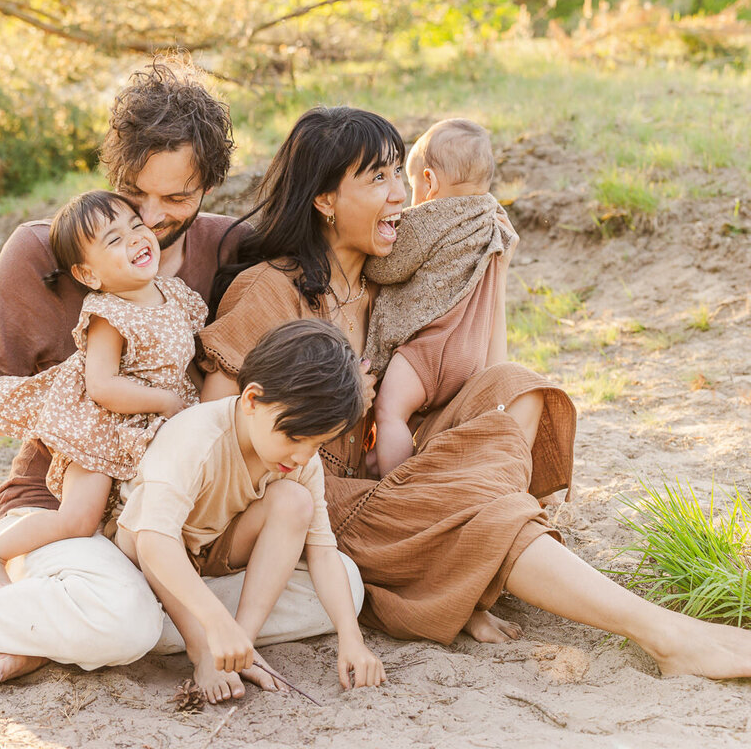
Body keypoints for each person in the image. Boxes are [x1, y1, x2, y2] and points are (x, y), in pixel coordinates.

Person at [0, 57, 357, 693]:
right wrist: (72, 401)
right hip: (64, 505)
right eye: (136, 196)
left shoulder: (225, 248)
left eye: (178, 198)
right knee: (125, 623)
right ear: (114, 174)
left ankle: (56, 626)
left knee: (343, 590)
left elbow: (337, 242)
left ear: (210, 188)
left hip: (176, 520)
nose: (153, 219)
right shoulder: (46, 250)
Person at [198, 104, 751, 678]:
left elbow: (483, 379)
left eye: (398, 175)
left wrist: (497, 270)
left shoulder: (382, 283)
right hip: (321, 491)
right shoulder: (269, 289)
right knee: (472, 502)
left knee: (519, 388)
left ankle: (471, 549)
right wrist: (332, 404)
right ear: (325, 200)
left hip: (390, 465)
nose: (399, 197)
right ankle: (666, 636)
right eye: (378, 179)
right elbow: (215, 427)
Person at [115, 319, 385, 703]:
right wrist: (210, 626)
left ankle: (240, 643)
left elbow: (323, 551)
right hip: (149, 558)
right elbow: (154, 541)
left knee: (305, 516)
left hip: (214, 552)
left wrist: (351, 638)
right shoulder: (196, 437)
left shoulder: (299, 460)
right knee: (135, 592)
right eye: (295, 438)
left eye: (318, 443)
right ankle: (203, 646)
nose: (304, 456)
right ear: (252, 401)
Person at [0, 190, 206, 592]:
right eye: (113, 240)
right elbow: (101, 385)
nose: (134, 238)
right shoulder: (109, 314)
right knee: (79, 519)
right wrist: (167, 402)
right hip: (99, 430)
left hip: (148, 428)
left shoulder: (176, 296)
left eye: (136, 225)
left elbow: (189, 364)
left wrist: (199, 411)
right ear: (89, 275)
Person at [362, 118, 518, 477]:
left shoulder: (428, 219)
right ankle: (388, 467)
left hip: (429, 350)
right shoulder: (493, 219)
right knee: (416, 421)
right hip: (471, 354)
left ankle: (396, 484)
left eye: (411, 183)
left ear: (429, 182)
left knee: (389, 412)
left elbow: (386, 270)